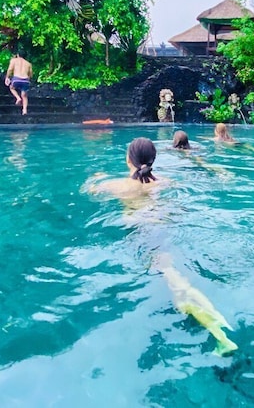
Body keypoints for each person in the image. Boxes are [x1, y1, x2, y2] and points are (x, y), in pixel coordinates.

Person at [89, 137, 238, 355]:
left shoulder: (117, 186)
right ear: (153, 160)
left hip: (144, 234)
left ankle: (219, 335)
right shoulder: (165, 182)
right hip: (165, 230)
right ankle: (218, 325)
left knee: (176, 283)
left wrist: (97, 178)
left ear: (128, 159)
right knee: (176, 276)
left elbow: (91, 191)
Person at [5, 51, 33, 115]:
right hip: (26, 80)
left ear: (18, 55)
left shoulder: (14, 60)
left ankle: (18, 98)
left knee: (12, 88)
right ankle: (24, 110)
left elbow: (10, 69)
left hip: (16, 79)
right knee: (24, 95)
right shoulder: (28, 64)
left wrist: (7, 77)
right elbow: (30, 75)